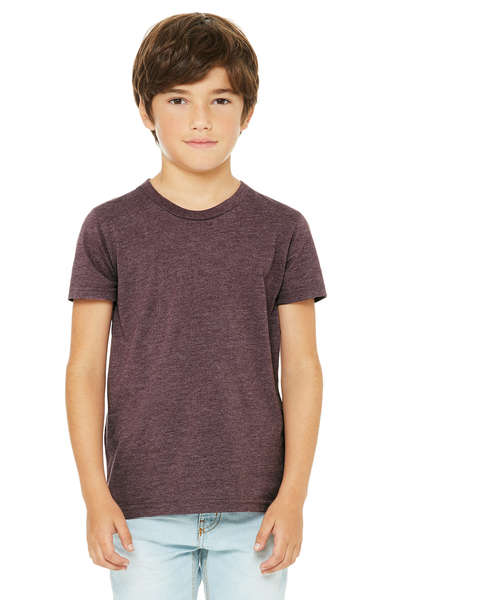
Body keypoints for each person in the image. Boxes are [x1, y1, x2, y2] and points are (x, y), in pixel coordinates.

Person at [66, 12, 327, 600]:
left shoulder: (283, 229)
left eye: (221, 99)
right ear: (146, 109)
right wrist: (94, 496)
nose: (201, 119)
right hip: (141, 511)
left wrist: (293, 496)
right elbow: (84, 367)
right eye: (178, 99)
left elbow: (303, 367)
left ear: (248, 111)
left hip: (256, 510)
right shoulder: (109, 227)